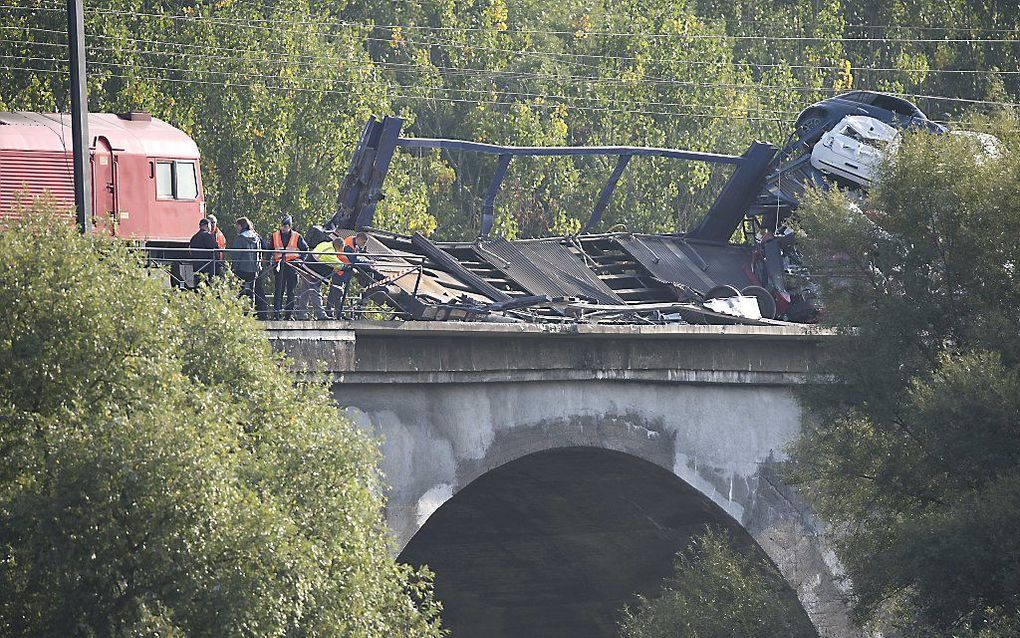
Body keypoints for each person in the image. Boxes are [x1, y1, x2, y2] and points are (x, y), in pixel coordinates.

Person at [311, 231, 369, 318]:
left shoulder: (353, 243)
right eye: (363, 242)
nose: (363, 245)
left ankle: (330, 311)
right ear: (359, 239)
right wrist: (366, 264)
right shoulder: (349, 245)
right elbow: (352, 260)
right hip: (339, 270)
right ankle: (338, 313)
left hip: (341, 269)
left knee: (334, 292)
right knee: (338, 292)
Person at [269, 215, 308, 320]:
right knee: (278, 291)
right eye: (282, 226)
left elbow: (305, 249)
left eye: (286, 226)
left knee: (291, 291)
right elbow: (269, 249)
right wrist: (269, 261)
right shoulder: (274, 236)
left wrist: (300, 261)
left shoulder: (297, 236)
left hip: (292, 266)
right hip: (279, 266)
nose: (283, 228)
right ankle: (276, 314)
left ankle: (288, 315)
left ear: (290, 226)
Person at [228, 217, 267, 318]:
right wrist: (258, 267)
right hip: (253, 269)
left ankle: (240, 313)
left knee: (240, 291)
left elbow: (237, 254)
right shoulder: (256, 237)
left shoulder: (240, 238)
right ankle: (250, 313)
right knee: (251, 291)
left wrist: (233, 267)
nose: (236, 227)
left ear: (241, 225)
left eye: (237, 225)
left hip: (241, 268)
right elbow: (259, 253)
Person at [188, 217, 219, 283]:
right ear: (207, 225)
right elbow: (214, 249)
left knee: (198, 285)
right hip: (208, 266)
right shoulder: (208, 236)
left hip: (197, 266)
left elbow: (190, 251)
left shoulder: (194, 237)